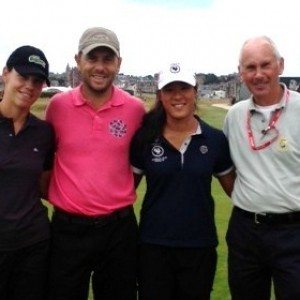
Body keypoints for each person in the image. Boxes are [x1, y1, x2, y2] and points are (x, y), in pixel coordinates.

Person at [45, 27, 145, 300]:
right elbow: (44, 162)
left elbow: (140, 163)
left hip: (118, 230)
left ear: (119, 64)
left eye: (107, 59)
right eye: (92, 58)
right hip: (68, 230)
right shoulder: (57, 106)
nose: (100, 67)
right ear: (78, 60)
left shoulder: (135, 109)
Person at [130, 62, 235, 300]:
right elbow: (126, 191)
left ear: (195, 91)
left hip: (199, 245)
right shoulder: (145, 138)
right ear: (160, 95)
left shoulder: (215, 139)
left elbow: (235, 191)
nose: (178, 96)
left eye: (184, 88)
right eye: (169, 90)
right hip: (153, 245)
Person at [223, 36, 300, 300]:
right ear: (240, 72)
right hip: (246, 232)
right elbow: (227, 169)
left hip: (293, 232)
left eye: (265, 65)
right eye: (250, 67)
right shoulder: (234, 116)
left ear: (280, 65)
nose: (258, 75)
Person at [0, 45, 54, 299]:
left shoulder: (44, 132)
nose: (29, 86)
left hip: (33, 245)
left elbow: (44, 185)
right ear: (5, 74)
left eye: (37, 81)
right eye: (23, 76)